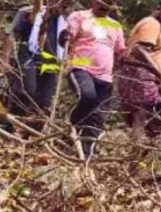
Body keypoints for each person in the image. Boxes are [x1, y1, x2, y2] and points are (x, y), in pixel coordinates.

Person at [65, 0, 127, 158]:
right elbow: (67, 37)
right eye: (102, 2)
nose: (105, 6)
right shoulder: (79, 16)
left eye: (109, 3)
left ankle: (86, 151)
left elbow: (121, 51)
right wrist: (64, 36)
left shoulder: (115, 25)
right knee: (87, 95)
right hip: (81, 67)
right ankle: (71, 125)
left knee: (98, 114)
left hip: (105, 76)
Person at [0, 0, 71, 128]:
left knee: (44, 101)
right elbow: (13, 36)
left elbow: (67, 45)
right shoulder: (28, 12)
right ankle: (8, 124)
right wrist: (5, 61)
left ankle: (30, 132)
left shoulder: (66, 21)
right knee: (26, 90)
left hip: (51, 63)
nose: (61, 5)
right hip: (28, 56)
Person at [118, 0, 161, 141]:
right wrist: (158, 71)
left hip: (140, 75)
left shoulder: (151, 25)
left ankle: (144, 147)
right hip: (140, 75)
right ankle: (138, 148)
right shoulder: (152, 24)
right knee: (142, 116)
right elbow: (139, 49)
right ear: (158, 8)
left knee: (150, 115)